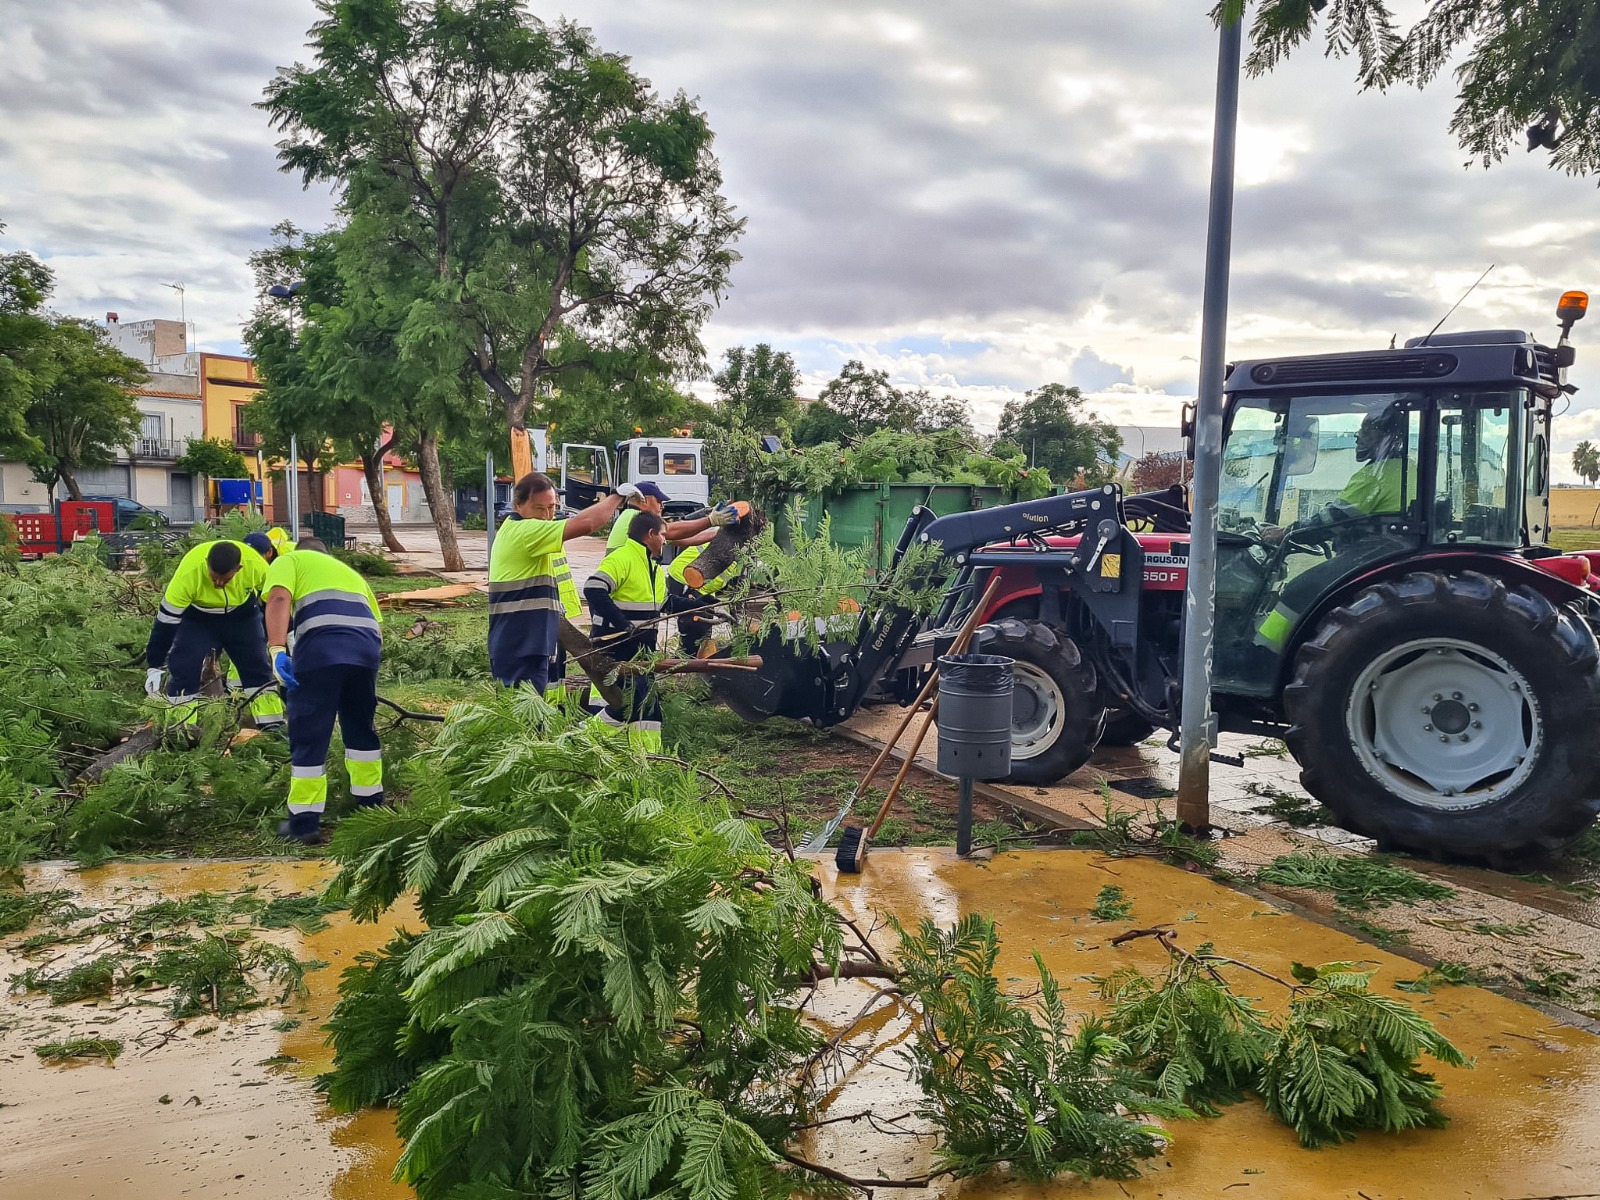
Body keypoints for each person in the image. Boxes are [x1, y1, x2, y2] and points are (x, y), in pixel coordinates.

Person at [1255, 402, 1413, 650]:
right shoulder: (1407, 468)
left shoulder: (1377, 475)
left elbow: (1333, 519)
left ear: (1386, 436)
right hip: (1387, 551)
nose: (1358, 437)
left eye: (1367, 431)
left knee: (1299, 591)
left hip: (1369, 553)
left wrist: (1287, 532)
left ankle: (1261, 654)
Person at [263, 537, 384, 844]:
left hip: (321, 649)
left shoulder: (288, 561)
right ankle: (371, 810)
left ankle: (304, 825)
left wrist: (277, 649)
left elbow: (278, 599)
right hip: (366, 651)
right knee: (361, 731)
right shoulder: (350, 574)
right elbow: (376, 623)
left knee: (309, 733)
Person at [488, 471, 630, 691]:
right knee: (523, 718)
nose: (546, 516)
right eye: (539, 508)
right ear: (518, 505)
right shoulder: (525, 531)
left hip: (523, 642)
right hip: (520, 643)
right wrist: (617, 495)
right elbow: (588, 523)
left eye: (552, 508)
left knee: (528, 714)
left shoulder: (519, 530)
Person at [144, 539, 284, 731]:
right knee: (184, 666)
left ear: (239, 569)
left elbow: (275, 601)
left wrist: (284, 636)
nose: (218, 583)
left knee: (257, 666)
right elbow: (166, 622)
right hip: (198, 619)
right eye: (214, 577)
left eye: (225, 579)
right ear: (207, 564)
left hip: (242, 616)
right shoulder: (189, 573)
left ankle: (272, 725)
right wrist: (155, 665)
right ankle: (181, 729)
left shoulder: (256, 566)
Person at [584, 511, 669, 751]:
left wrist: (700, 606)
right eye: (663, 535)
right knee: (632, 706)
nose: (665, 541)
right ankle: (587, 738)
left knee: (644, 706)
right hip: (617, 652)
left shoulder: (652, 568)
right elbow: (593, 588)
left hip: (641, 655)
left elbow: (663, 604)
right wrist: (623, 625)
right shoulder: (622, 558)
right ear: (650, 534)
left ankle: (645, 757)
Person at [606, 481, 742, 551]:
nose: (662, 506)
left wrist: (719, 532)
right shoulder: (634, 517)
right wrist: (710, 520)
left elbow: (686, 539)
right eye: (659, 501)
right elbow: (672, 530)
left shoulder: (639, 524)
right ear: (644, 500)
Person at [665, 541, 741, 657]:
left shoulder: (739, 559)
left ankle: (697, 650)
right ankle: (685, 656)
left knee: (704, 617)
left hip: (705, 585)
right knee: (691, 619)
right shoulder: (726, 550)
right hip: (683, 575)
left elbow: (735, 591)